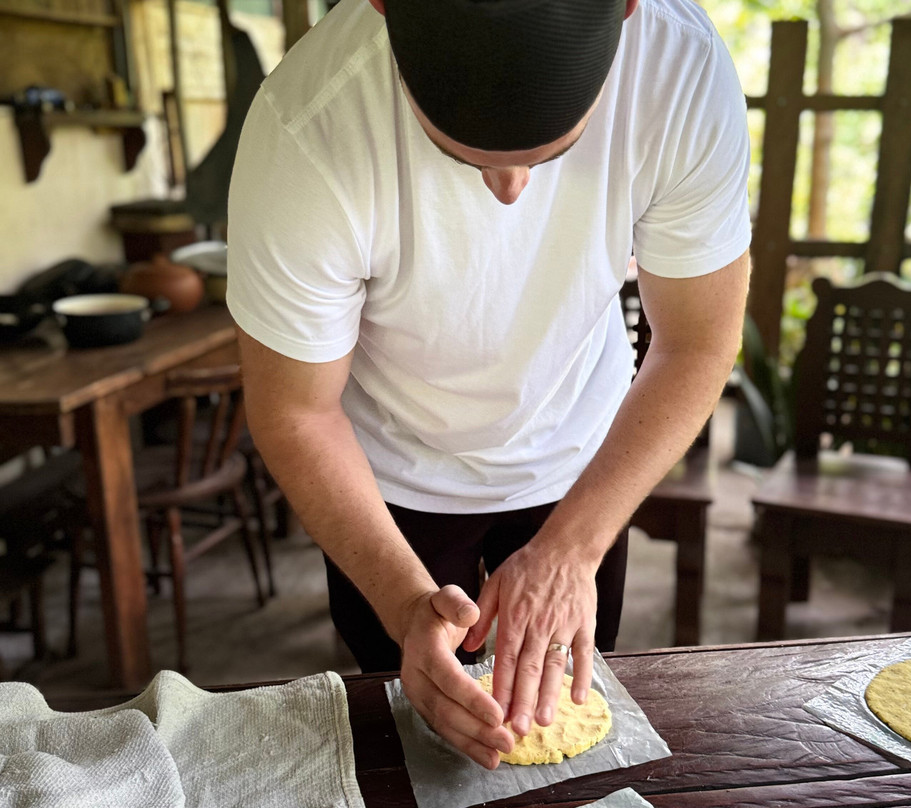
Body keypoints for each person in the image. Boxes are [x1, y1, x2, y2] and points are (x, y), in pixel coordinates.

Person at [227, 0, 751, 770]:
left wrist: (573, 550)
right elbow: (297, 410)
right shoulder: (307, 129)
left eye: (554, 152)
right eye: (461, 156)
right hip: (386, 475)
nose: (510, 191)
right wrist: (405, 606)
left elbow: (697, 343)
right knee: (416, 735)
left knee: (564, 723)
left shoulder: (679, 72)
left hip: (581, 452)